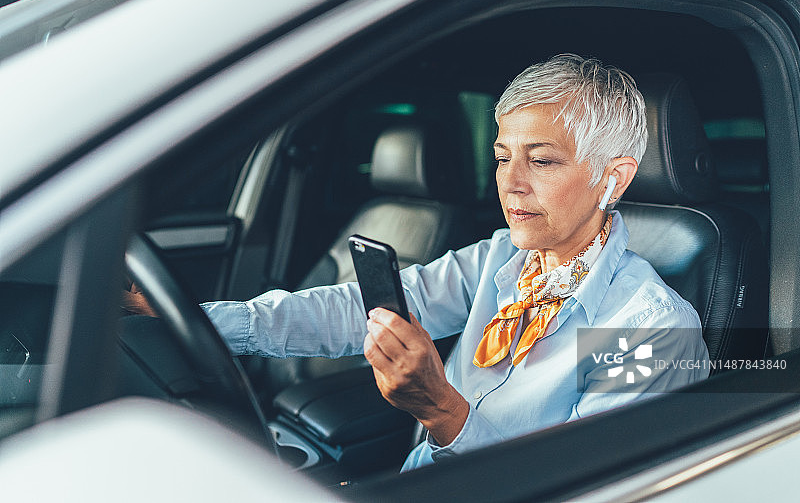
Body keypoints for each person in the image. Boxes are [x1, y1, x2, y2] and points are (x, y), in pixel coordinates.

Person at [127, 54, 709, 470]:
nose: (510, 185)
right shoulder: (499, 258)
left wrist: (443, 411)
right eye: (503, 157)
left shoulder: (651, 330)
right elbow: (351, 313)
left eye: (544, 161)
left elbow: (588, 484)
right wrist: (194, 319)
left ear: (614, 177)